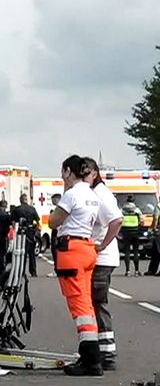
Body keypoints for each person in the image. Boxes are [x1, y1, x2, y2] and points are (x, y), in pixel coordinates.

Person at [48, 155, 102, 376]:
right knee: (87, 306)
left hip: (71, 250)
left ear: (68, 171)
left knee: (80, 308)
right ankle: (91, 354)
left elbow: (53, 221)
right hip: (87, 248)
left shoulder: (71, 195)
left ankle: (91, 360)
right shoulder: (92, 194)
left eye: (63, 172)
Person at [83, 158, 123, 371]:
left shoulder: (101, 194)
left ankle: (107, 353)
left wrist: (101, 245)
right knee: (93, 303)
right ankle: (101, 349)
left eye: (86, 172)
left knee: (98, 303)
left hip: (102, 258)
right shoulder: (94, 193)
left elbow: (117, 221)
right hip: (96, 257)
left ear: (95, 173)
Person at [11, 193, 40, 277]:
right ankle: (33, 271)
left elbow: (13, 222)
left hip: (21, 233)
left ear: (20, 200)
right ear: (26, 200)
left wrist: (15, 231)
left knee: (22, 253)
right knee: (32, 254)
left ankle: (22, 272)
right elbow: (38, 221)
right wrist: (37, 231)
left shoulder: (17, 210)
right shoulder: (32, 209)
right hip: (31, 232)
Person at [119, 195, 144, 276]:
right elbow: (142, 221)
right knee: (136, 252)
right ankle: (136, 271)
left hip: (126, 232)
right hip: (135, 231)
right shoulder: (137, 210)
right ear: (133, 201)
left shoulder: (122, 209)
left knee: (127, 252)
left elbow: (119, 219)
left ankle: (127, 271)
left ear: (127, 200)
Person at [47, 193, 62, 277]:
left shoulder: (59, 209)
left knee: (55, 251)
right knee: (55, 251)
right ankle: (57, 269)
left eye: (53, 200)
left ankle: (57, 270)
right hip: (56, 231)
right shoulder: (57, 209)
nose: (52, 201)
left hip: (57, 231)